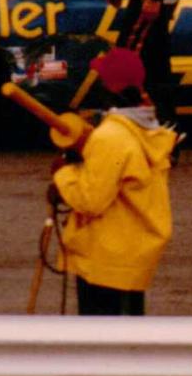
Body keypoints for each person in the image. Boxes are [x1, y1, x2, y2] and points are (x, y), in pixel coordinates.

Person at [51, 47, 177, 316]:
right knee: (128, 333)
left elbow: (91, 200)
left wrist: (63, 175)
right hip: (131, 257)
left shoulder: (111, 136)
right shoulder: (147, 128)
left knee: (102, 337)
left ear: (109, 87)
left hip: (106, 260)